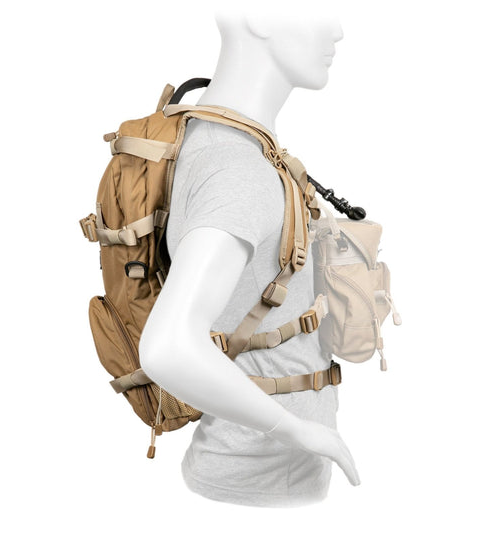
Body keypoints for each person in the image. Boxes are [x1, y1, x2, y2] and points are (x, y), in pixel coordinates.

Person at [139, 9, 359, 507]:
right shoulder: (237, 167)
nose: (337, 28)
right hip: (258, 483)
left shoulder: (221, 138)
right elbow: (167, 346)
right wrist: (296, 430)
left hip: (255, 478)